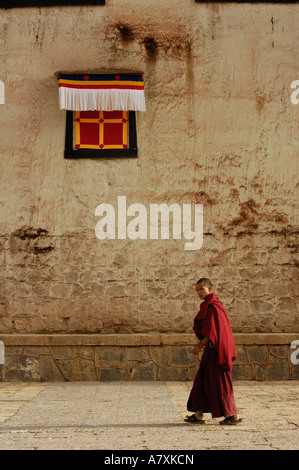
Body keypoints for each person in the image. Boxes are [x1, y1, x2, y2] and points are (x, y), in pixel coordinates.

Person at [185, 278, 242, 425]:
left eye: (201, 289)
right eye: (197, 290)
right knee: (201, 380)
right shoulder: (209, 305)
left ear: (210, 289)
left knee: (221, 381)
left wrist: (199, 345)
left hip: (217, 352)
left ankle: (231, 415)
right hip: (210, 352)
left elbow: (212, 331)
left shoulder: (213, 306)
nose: (199, 292)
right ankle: (198, 414)